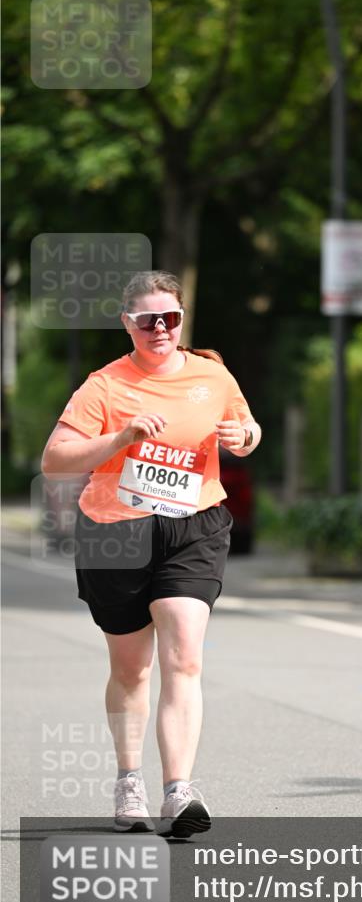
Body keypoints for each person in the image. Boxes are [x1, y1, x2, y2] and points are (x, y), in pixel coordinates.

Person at [41, 270, 261, 838]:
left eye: (170, 319)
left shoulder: (211, 375)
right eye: (147, 321)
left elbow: (244, 425)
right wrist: (121, 439)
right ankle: (128, 778)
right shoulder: (105, 386)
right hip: (117, 532)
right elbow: (56, 460)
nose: (160, 329)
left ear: (182, 319)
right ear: (128, 324)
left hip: (194, 525)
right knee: (131, 668)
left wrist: (246, 437)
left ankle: (178, 791)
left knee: (184, 657)